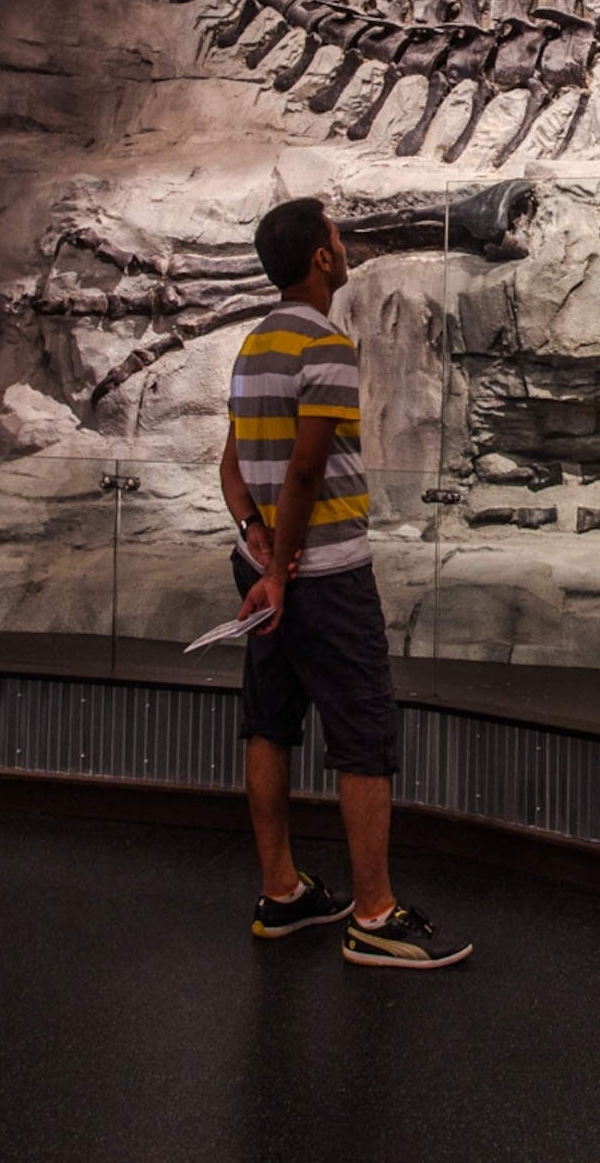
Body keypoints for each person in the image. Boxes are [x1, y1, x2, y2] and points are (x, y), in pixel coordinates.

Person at [217, 195, 472, 969]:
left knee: (270, 723)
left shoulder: (252, 345)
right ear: (321, 258)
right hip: (322, 576)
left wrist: (257, 544)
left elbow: (232, 467)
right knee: (363, 734)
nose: (344, 240)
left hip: (269, 570)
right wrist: (287, 572)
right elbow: (304, 466)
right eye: (335, 233)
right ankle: (374, 913)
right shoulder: (325, 342)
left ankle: (282, 890)